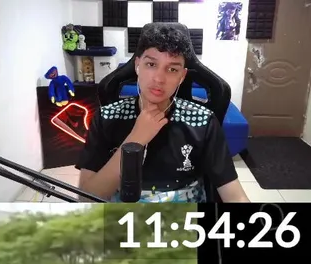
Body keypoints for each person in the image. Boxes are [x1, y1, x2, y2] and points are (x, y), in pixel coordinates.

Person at [76, 23, 248, 203]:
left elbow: (235, 195)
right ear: (137, 65)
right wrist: (135, 139)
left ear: (182, 76)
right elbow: (87, 199)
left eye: (172, 69)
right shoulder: (106, 118)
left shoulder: (203, 122)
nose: (159, 79)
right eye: (151, 64)